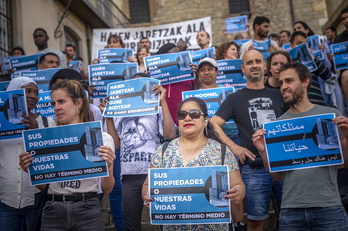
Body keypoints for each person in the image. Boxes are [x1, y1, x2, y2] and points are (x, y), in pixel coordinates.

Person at [252, 62, 348, 230]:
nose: (284, 87)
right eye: (281, 83)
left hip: (329, 207)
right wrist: (262, 151)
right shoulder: (277, 126)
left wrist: (347, 135)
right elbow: (277, 176)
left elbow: (344, 162)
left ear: (306, 82)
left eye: (289, 81)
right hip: (291, 210)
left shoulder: (330, 116)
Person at [19, 80, 116, 230]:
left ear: (78, 103)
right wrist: (31, 170)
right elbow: (43, 186)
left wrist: (108, 166)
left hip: (88, 209)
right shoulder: (46, 138)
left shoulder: (103, 139)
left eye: (61, 102)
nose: (56, 108)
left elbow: (107, 188)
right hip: (53, 209)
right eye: (54, 103)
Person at [210, 50, 287, 231]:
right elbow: (213, 123)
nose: (254, 65)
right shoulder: (235, 98)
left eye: (258, 61)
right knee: (255, 221)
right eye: (250, 62)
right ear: (243, 69)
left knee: (289, 218)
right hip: (254, 169)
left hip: (283, 166)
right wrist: (234, 147)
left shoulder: (279, 95)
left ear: (265, 66)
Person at [142, 97, 246, 231]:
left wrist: (237, 193)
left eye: (194, 114)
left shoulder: (221, 151)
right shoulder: (163, 151)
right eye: (182, 114)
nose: (187, 118)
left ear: (206, 119)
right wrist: (147, 195)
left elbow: (238, 185)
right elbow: (147, 185)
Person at [104, 72, 177, 231]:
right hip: (129, 175)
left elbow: (170, 134)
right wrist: (108, 115)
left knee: (164, 221)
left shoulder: (156, 109)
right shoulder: (119, 113)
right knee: (131, 224)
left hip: (154, 173)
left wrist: (163, 102)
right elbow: (116, 145)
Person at [196, 57, 246, 231]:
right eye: (202, 70)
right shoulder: (193, 96)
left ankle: (238, 223)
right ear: (198, 74)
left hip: (231, 138)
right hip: (206, 141)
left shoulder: (228, 92)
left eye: (210, 69)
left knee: (233, 183)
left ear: (217, 72)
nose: (206, 72)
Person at [0, 77, 55, 231]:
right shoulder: (0, 123)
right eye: (27, 91)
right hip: (6, 199)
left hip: (36, 200)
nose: (33, 96)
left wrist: (35, 131)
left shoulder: (48, 122)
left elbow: (52, 156)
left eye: (36, 93)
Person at [290, 31, 344, 113]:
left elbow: (328, 76)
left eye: (305, 44)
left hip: (317, 104)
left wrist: (314, 59)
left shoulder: (313, 62)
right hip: (298, 109)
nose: (302, 47)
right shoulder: (287, 65)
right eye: (298, 43)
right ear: (291, 45)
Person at [156, 43, 196, 124]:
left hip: (185, 122)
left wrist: (197, 75)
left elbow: (197, 91)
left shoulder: (188, 75)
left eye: (177, 55)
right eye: (171, 56)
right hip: (161, 125)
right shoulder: (155, 78)